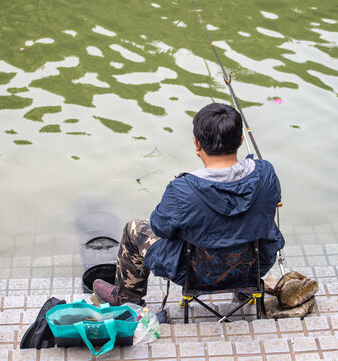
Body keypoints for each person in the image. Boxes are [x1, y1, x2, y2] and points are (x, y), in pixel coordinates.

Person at [92, 103, 284, 305]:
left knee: (134, 229)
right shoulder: (266, 173)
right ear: (241, 140)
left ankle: (126, 299)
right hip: (253, 268)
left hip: (194, 275)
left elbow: (159, 227)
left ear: (197, 143)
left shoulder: (182, 189)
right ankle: (243, 290)